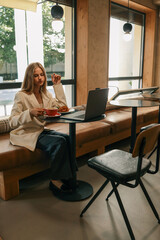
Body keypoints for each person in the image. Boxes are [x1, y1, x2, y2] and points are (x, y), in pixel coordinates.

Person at [9, 62, 77, 195]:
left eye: (42, 75)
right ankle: (55, 180)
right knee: (59, 142)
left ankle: (69, 176)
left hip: (39, 131)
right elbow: (12, 121)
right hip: (26, 133)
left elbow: (63, 107)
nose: (40, 78)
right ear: (29, 77)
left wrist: (57, 86)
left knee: (68, 138)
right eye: (35, 75)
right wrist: (29, 113)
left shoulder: (45, 94)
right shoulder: (21, 95)